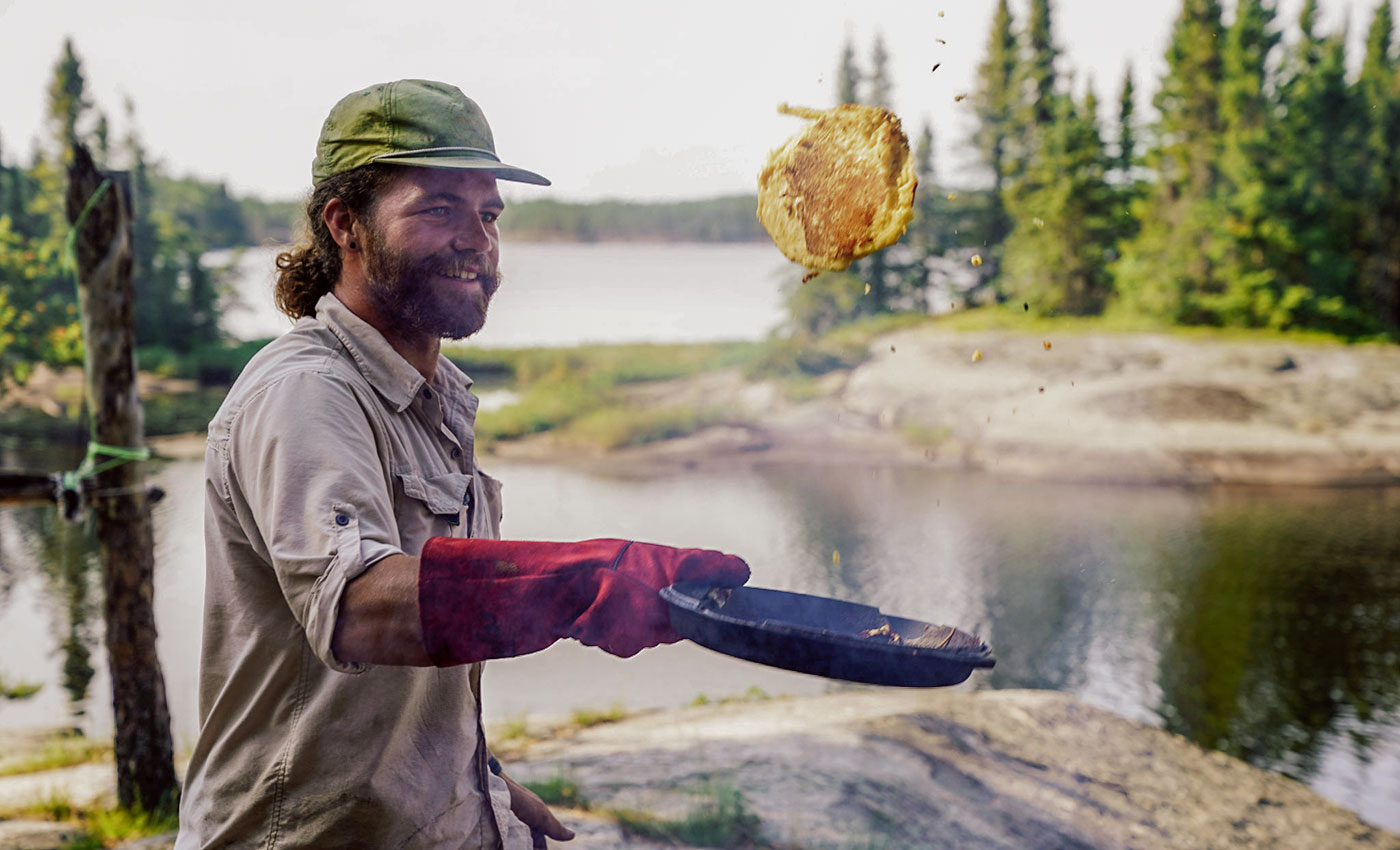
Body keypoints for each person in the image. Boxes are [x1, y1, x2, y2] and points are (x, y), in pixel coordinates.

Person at [175, 79, 750, 850]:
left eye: (487, 215)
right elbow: (363, 608)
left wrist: (486, 789)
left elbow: (394, 692)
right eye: (438, 208)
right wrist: (578, 582)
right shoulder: (306, 392)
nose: (476, 239)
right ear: (344, 223)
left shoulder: (436, 394)